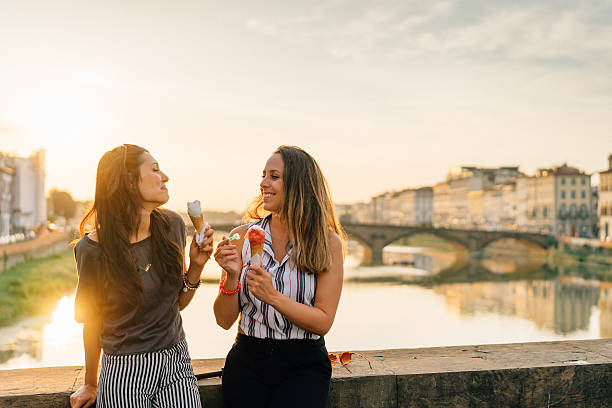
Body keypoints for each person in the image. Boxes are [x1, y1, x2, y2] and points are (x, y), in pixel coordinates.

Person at [69, 144, 213, 408]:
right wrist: (91, 382)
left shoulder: (173, 226)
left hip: (176, 362)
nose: (165, 177)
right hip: (124, 369)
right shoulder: (92, 250)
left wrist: (196, 266)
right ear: (128, 182)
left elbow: (177, 304)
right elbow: (92, 321)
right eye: (155, 169)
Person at [214, 145, 345, 408]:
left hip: (304, 364)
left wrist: (272, 296)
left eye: (274, 176)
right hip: (248, 359)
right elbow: (223, 320)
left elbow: (323, 322)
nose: (263, 183)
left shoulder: (327, 242)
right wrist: (231, 277)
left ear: (298, 185)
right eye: (263, 175)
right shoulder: (242, 237)